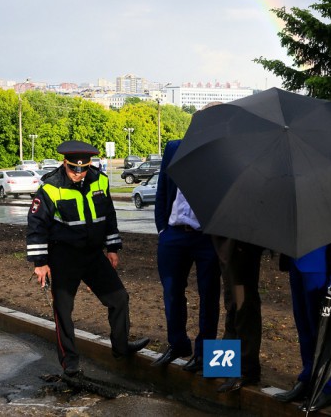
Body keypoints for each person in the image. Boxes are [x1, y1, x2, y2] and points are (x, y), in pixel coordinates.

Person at [26, 140, 149, 377]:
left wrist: (112, 247)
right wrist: (40, 262)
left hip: (93, 254)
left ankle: (121, 348)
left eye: (83, 168)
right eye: (74, 168)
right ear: (65, 163)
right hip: (63, 256)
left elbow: (109, 216)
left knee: (119, 298)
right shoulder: (50, 187)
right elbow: (36, 226)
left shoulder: (100, 180)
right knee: (63, 310)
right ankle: (70, 363)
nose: (78, 173)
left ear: (90, 164)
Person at [152, 139, 221, 372]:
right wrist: (162, 229)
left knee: (210, 296)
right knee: (171, 292)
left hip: (208, 238)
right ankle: (178, 344)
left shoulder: (225, 153)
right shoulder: (174, 148)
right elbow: (162, 188)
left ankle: (207, 357)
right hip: (174, 234)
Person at [273, 235, 331, 411]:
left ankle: (326, 387)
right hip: (296, 259)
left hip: (321, 259)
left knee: (321, 328)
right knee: (303, 324)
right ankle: (308, 378)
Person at [212, 236, 264, 393]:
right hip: (225, 244)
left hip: (243, 246)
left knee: (243, 305)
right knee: (233, 303)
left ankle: (247, 369)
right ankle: (225, 365)